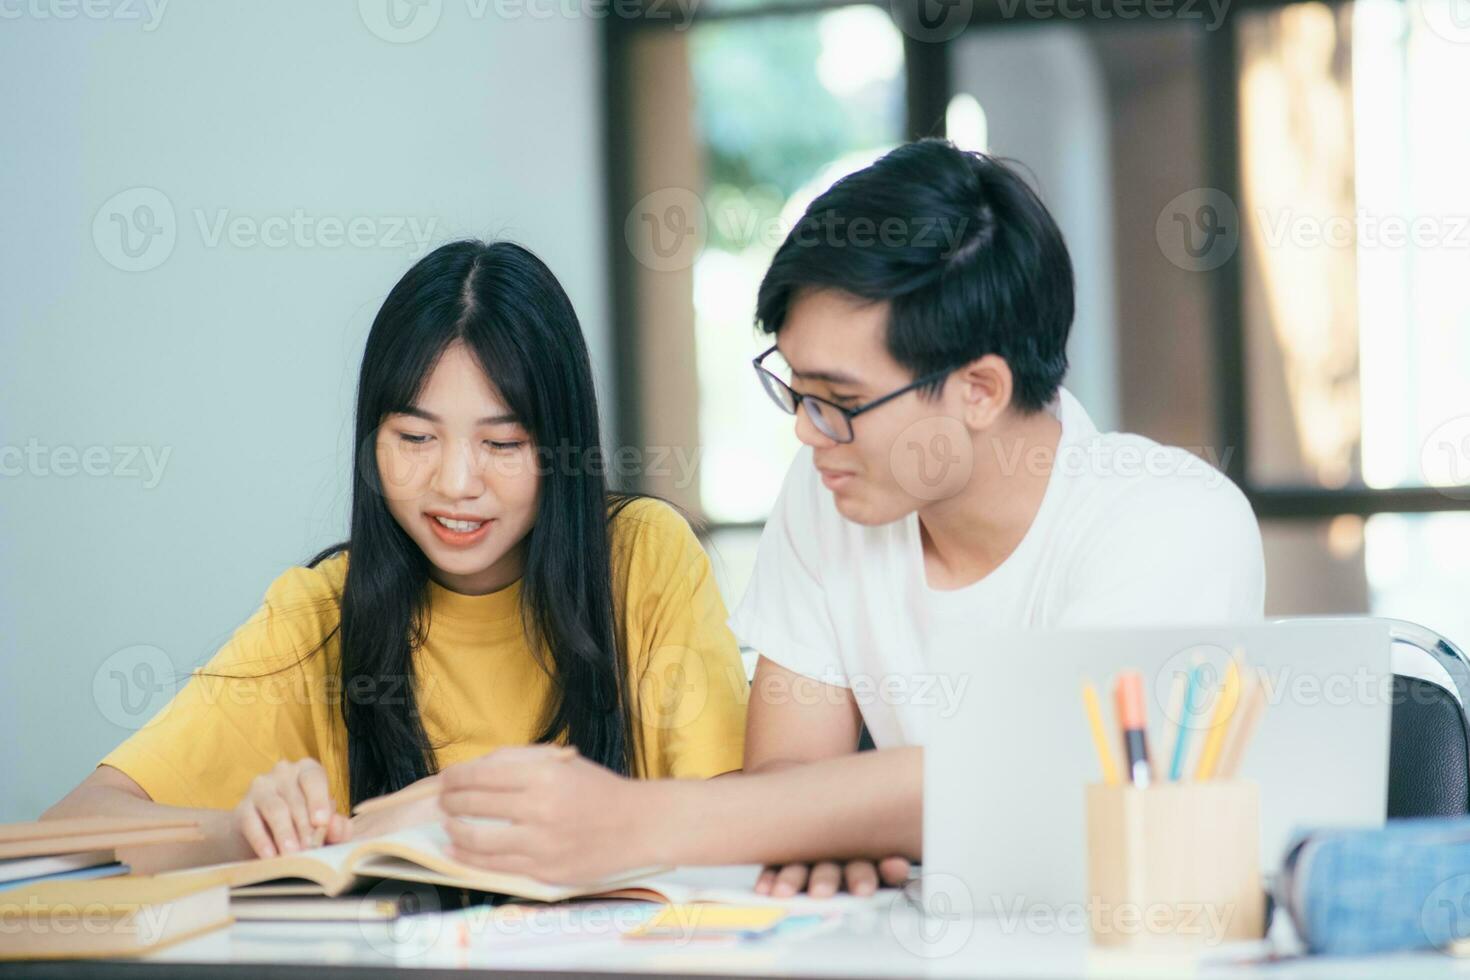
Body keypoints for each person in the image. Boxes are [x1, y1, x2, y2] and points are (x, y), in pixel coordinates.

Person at [431, 140, 1264, 894]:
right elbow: (787, 775)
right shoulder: (830, 492)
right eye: (796, 388)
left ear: (980, 390)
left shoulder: (1168, 521)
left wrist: (631, 822)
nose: (805, 429)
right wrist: (836, 819)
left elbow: (1035, 779)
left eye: (841, 401)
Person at [44, 240, 749, 875]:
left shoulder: (641, 558)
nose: (456, 483)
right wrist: (252, 832)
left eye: (502, 445)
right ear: (371, 440)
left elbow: (740, 824)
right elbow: (73, 825)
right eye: (415, 438)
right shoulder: (322, 609)